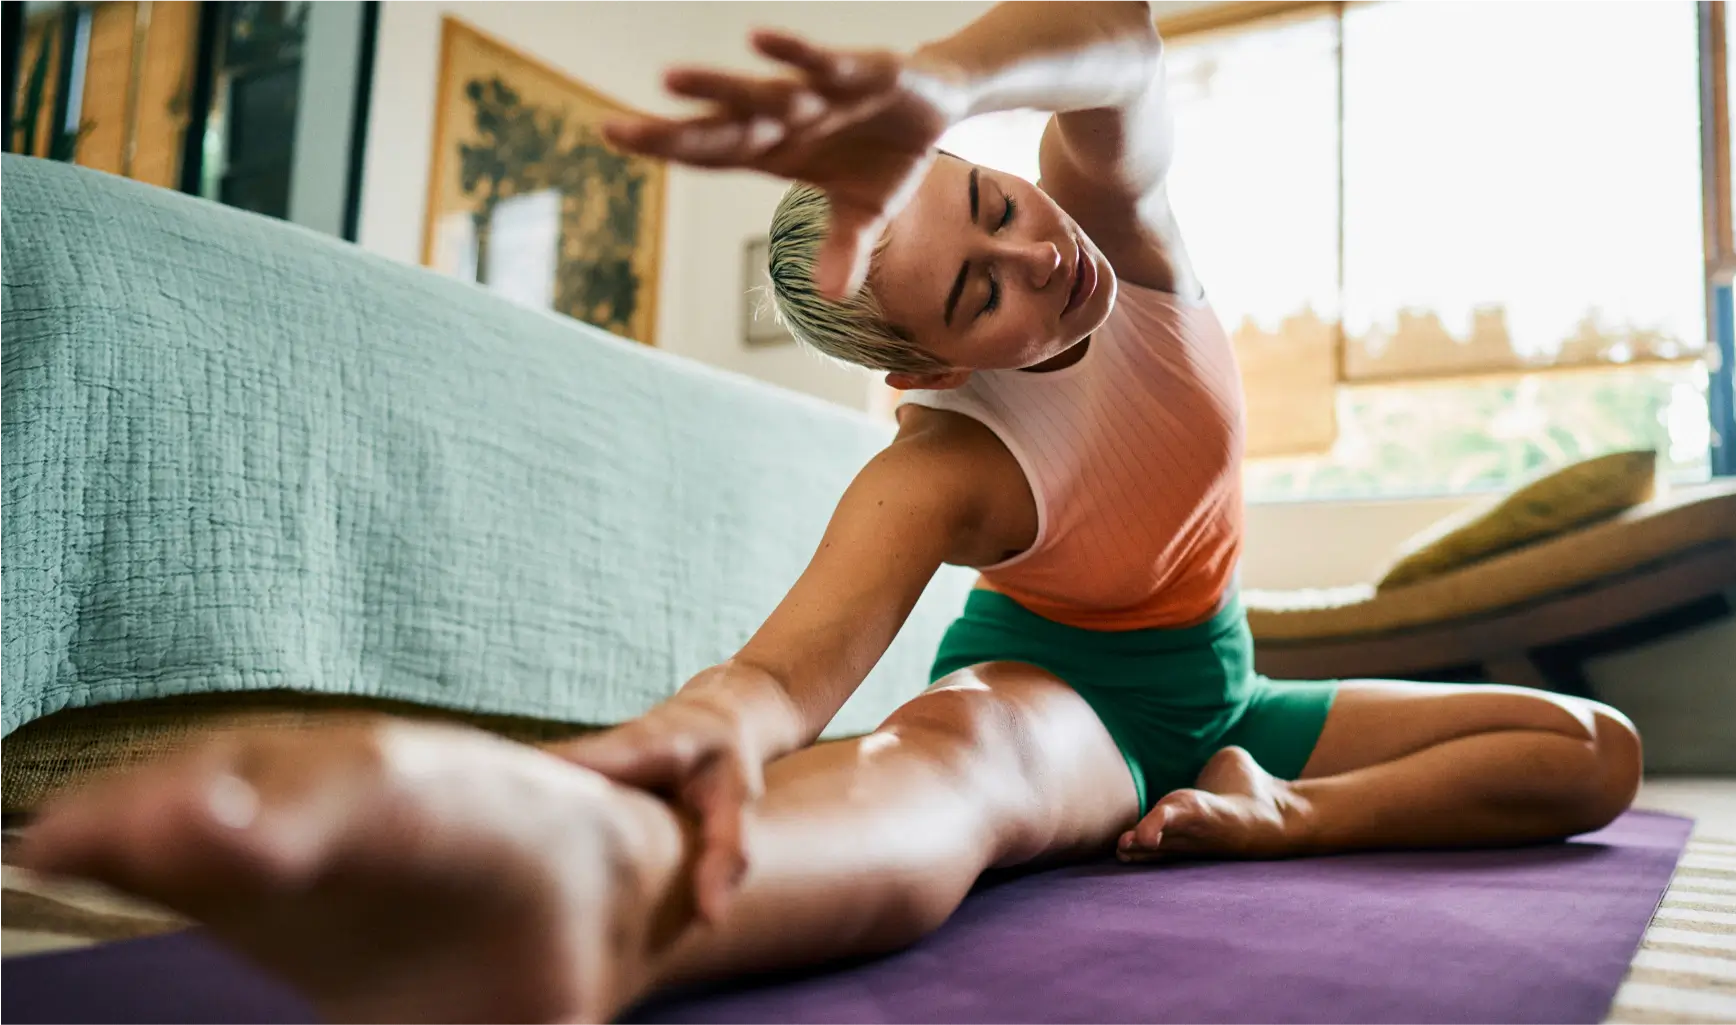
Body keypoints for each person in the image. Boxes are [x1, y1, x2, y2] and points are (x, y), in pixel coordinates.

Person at [17, 1, 1642, 1022]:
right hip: (1066, 696)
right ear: (932, 365)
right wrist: (708, 733)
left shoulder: (1124, 237)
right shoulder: (944, 464)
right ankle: (616, 901)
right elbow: (791, 676)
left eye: (997, 208)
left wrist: (928, 88)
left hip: (1235, 693)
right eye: (976, 293)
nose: (1031, 259)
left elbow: (1126, 45)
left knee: (1593, 756)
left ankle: (1272, 819)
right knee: (954, 781)